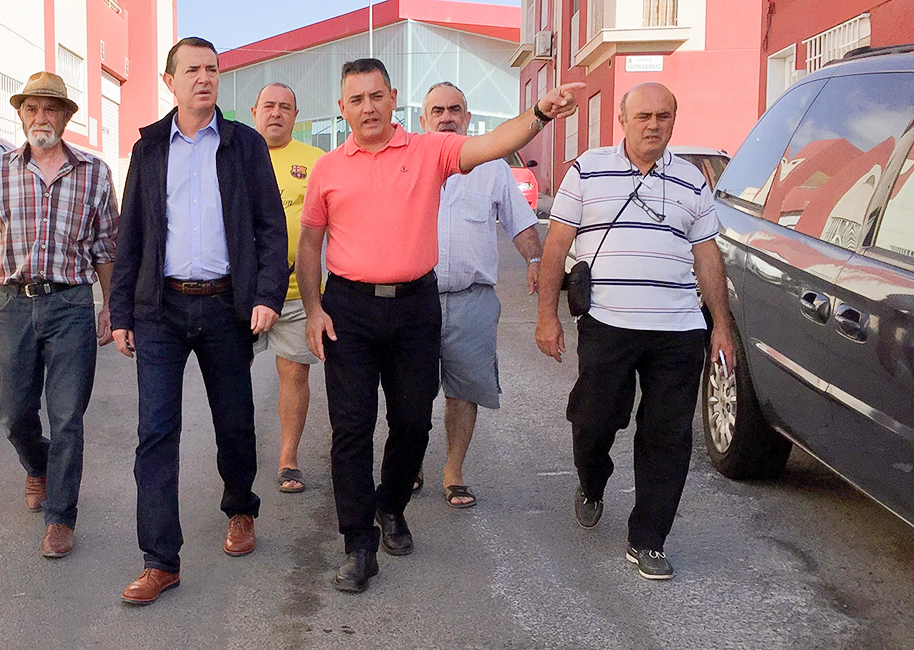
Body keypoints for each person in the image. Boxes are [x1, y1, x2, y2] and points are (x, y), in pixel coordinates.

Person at [296, 58, 582, 593]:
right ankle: (357, 545)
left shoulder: (430, 151)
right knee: (351, 430)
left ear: (393, 98)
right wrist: (314, 309)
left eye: (376, 96)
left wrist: (541, 113)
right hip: (350, 311)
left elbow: (493, 145)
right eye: (355, 100)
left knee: (411, 422)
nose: (367, 107)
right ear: (343, 108)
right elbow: (311, 241)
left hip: (414, 308)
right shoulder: (329, 168)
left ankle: (392, 506)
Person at [110, 37, 288, 605]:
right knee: (156, 433)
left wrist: (267, 295)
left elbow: (269, 227)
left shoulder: (245, 145)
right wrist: (121, 312)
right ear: (171, 81)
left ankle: (240, 508)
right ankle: (160, 560)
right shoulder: (150, 149)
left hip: (225, 307)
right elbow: (131, 233)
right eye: (192, 70)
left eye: (212, 69)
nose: (204, 78)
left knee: (234, 421)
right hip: (159, 308)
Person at [534, 82, 735, 581]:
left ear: (673, 120)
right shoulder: (586, 169)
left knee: (667, 436)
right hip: (608, 323)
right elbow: (557, 245)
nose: (654, 124)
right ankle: (592, 481)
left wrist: (721, 327)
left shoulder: (692, 181)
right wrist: (546, 316)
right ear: (623, 119)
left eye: (663, 116)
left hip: (678, 329)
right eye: (644, 115)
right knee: (594, 419)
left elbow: (707, 255)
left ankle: (648, 539)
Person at [0, 71, 118, 559]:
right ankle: (39, 466)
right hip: (14, 303)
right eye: (32, 108)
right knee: (14, 415)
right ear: (21, 114)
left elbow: (106, 247)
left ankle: (60, 517)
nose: (40, 117)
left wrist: (111, 306)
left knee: (68, 415)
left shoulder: (94, 173)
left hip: (72, 303)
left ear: (67, 116)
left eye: (50, 108)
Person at [418, 82, 544, 509]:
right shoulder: (411, 163)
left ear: (468, 117)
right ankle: (410, 464)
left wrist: (535, 262)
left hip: (472, 298)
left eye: (456, 109)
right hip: (415, 298)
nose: (447, 117)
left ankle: (453, 473)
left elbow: (520, 222)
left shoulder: (491, 166)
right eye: (437, 110)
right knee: (411, 391)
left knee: (464, 389)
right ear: (423, 119)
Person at [249, 82, 326, 494]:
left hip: (298, 293)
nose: (276, 113)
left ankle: (288, 458)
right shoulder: (235, 156)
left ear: (296, 116)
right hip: (242, 293)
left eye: (285, 106)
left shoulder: (316, 161)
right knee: (231, 377)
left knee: (293, 373)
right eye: (269, 106)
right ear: (253, 110)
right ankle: (238, 453)